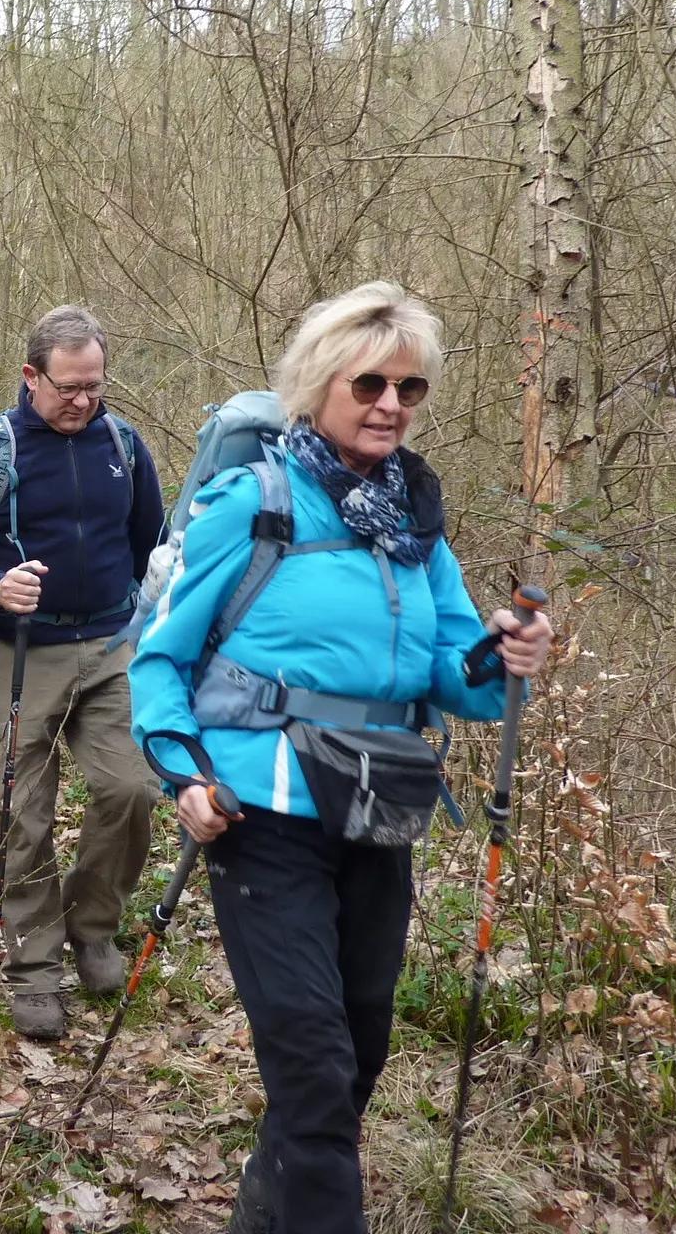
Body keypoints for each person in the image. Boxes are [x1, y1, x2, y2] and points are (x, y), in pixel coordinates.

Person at [128, 283, 554, 1234]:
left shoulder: (414, 524)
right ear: (319, 384)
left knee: (357, 1055)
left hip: (379, 807)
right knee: (314, 1067)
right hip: (261, 813)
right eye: (369, 383)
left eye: (410, 388)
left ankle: (265, 1204)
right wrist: (184, 775)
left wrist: (505, 655)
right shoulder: (253, 503)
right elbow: (158, 659)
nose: (390, 404)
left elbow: (457, 675)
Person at [0, 305, 166, 1040]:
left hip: (112, 646)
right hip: (22, 652)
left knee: (132, 789)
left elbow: (153, 550)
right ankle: (33, 967)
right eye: (68, 387)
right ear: (31, 376)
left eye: (95, 386)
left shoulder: (124, 445)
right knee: (19, 809)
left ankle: (92, 928)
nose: (83, 401)